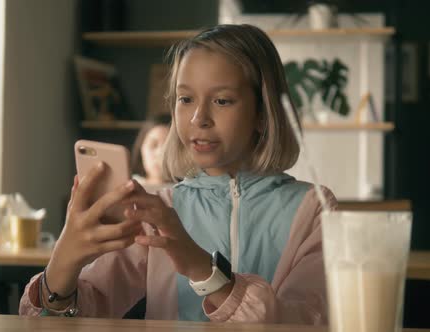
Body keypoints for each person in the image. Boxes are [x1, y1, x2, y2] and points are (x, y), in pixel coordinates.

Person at [19, 24, 337, 324]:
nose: (198, 118)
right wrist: (64, 259)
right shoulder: (158, 210)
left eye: (222, 100)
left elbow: (308, 321)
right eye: (185, 99)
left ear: (262, 114)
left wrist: (203, 269)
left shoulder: (314, 208)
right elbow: (71, 317)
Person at [131, 114, 172, 192]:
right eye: (153, 145)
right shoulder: (127, 184)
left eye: (169, 146)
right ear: (141, 148)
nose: (160, 154)